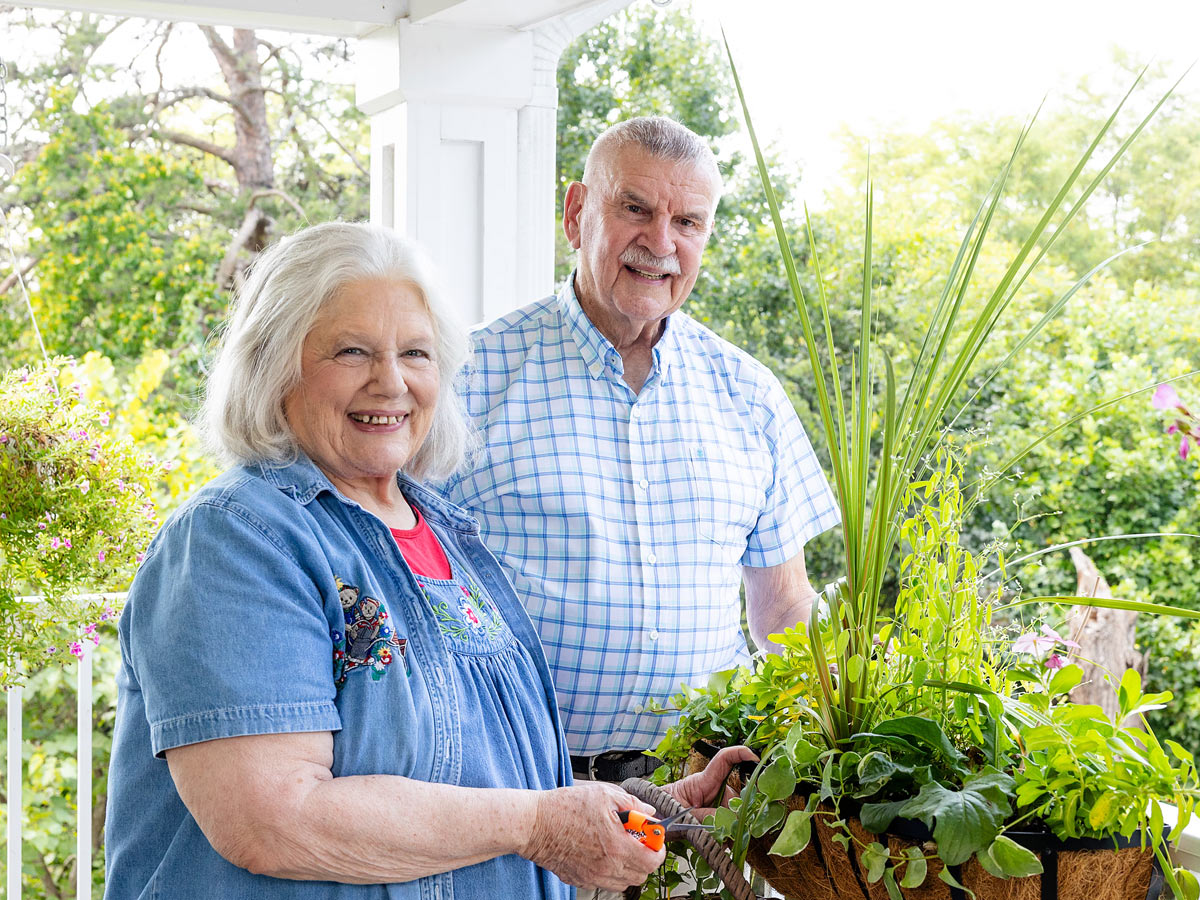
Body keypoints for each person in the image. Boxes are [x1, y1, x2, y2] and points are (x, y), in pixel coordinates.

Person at [103, 222, 753, 900]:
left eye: (415, 353)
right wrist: (537, 824)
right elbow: (273, 820)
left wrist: (636, 813)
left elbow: (478, 780)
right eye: (352, 352)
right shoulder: (236, 540)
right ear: (274, 362)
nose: (391, 383)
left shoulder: (444, 532)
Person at [442, 116, 840, 783]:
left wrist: (841, 727)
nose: (661, 242)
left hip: (706, 799)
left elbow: (784, 609)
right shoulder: (468, 376)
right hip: (517, 788)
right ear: (576, 213)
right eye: (635, 209)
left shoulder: (749, 393)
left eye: (688, 222)